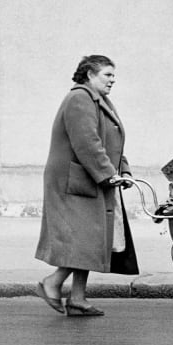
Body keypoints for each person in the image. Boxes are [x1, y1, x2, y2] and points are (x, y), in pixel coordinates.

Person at [34, 55, 138, 316]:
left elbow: (110, 143)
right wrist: (107, 174)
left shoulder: (98, 100)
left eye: (114, 75)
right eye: (108, 75)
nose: (113, 80)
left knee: (92, 238)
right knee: (87, 239)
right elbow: (87, 143)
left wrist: (122, 169)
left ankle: (78, 298)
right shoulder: (79, 98)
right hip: (74, 182)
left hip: (88, 179)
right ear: (90, 75)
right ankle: (52, 283)